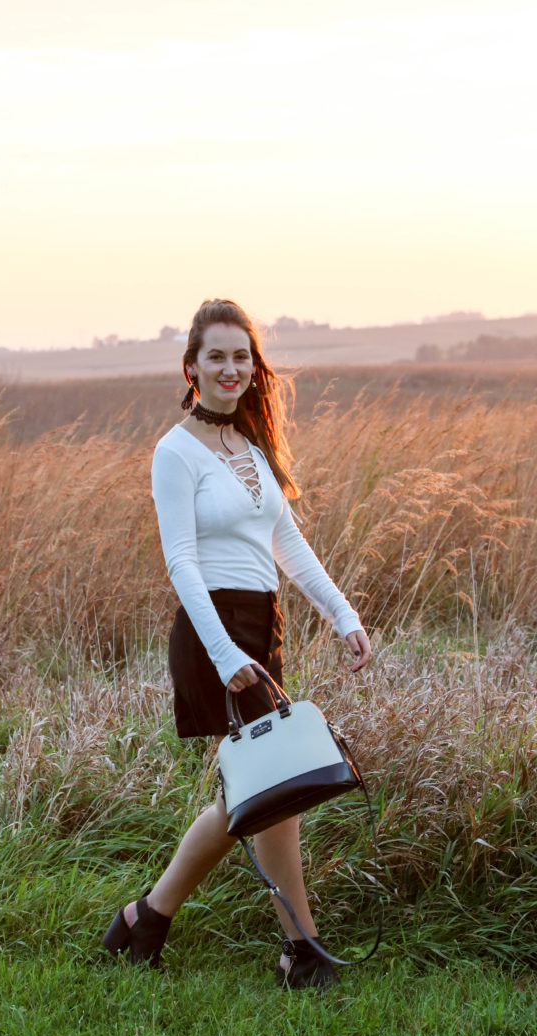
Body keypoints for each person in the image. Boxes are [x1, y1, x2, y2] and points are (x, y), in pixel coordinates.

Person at [102, 298, 372, 989]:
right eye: (215, 356)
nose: (230, 368)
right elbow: (181, 563)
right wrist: (225, 656)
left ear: (256, 367)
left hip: (262, 625)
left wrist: (342, 613)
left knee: (259, 790)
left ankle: (145, 920)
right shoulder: (175, 451)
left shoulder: (250, 446)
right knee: (273, 785)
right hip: (211, 632)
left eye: (241, 356)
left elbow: (286, 541)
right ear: (190, 367)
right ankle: (302, 949)